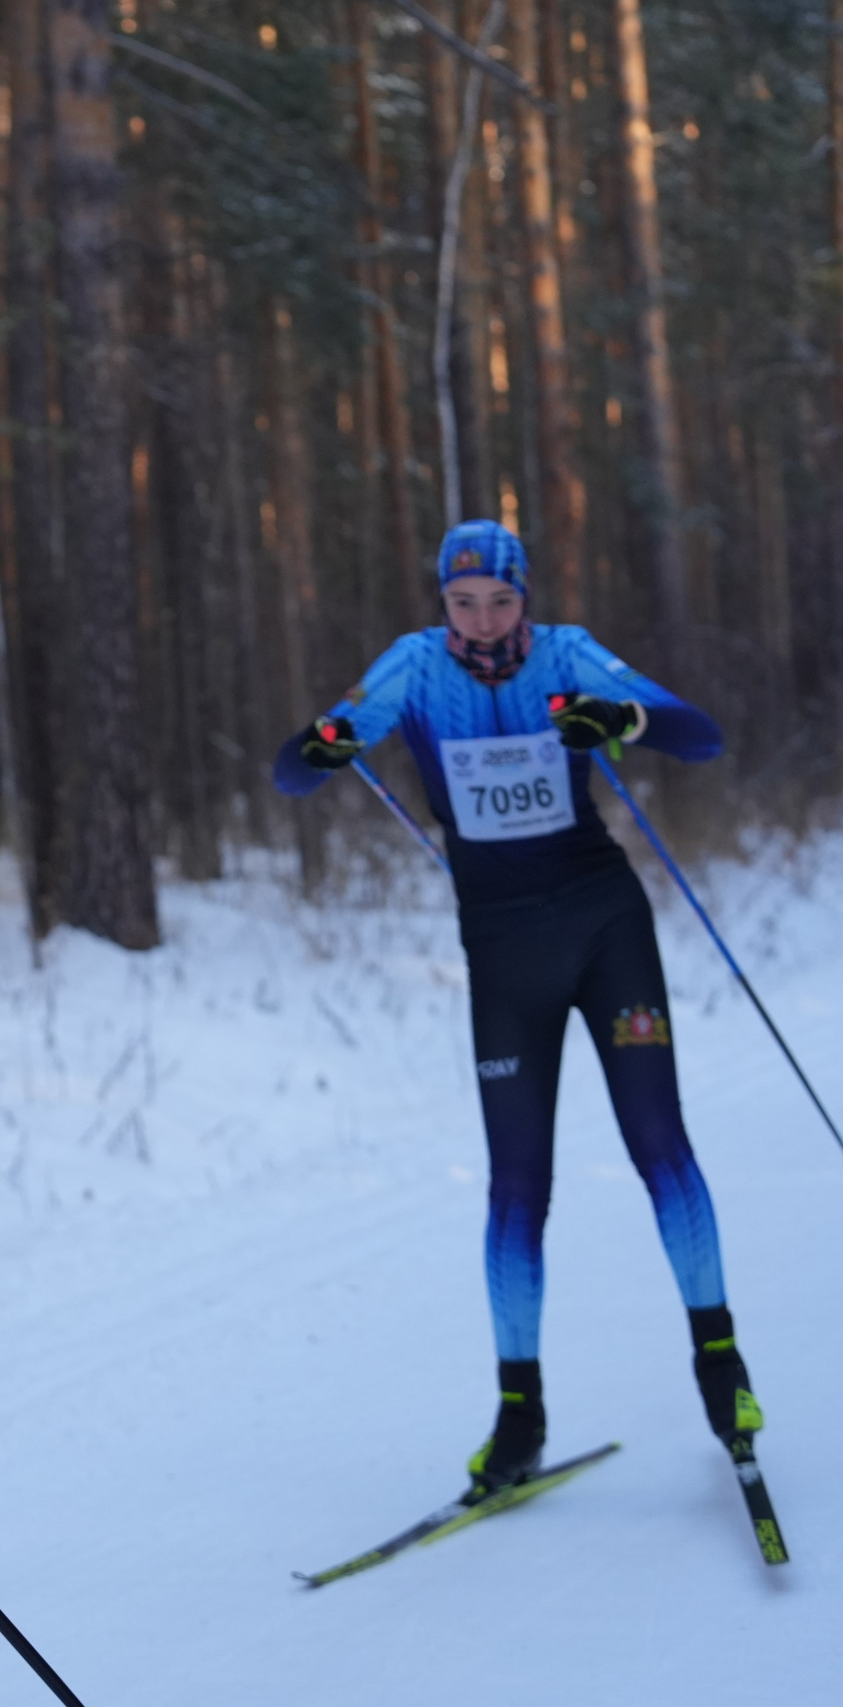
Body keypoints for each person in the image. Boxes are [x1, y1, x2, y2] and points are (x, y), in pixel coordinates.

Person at [272, 520, 763, 1500]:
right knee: (515, 1186)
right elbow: (293, 768)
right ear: (440, 604)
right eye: (462, 603)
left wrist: (618, 722)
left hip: (603, 927)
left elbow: (697, 736)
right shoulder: (412, 670)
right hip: (502, 951)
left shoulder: (569, 654)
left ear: (524, 596)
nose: (483, 621)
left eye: (499, 600)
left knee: (658, 1144)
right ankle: (517, 1416)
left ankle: (722, 1369)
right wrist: (324, 744)